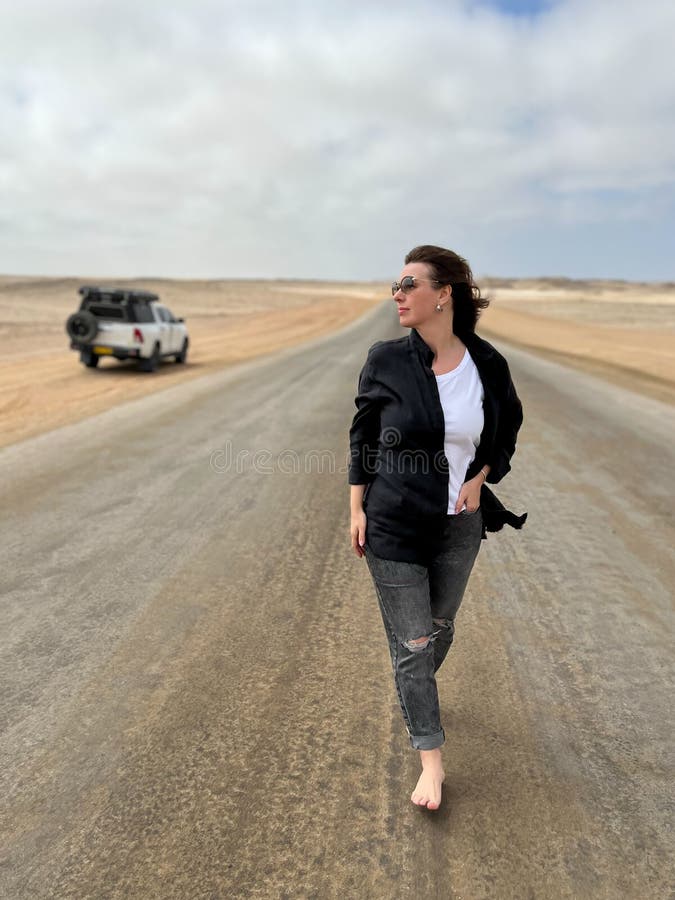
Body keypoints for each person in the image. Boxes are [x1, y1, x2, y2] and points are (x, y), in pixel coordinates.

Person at [348, 245, 526, 811]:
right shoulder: (386, 360)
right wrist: (356, 509)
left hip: (460, 525)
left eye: (408, 284)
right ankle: (431, 758)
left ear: (443, 293)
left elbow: (505, 432)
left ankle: (413, 682)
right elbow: (364, 439)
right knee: (414, 641)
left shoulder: (487, 365)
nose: (396, 295)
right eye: (394, 286)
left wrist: (483, 475)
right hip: (394, 523)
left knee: (439, 626)